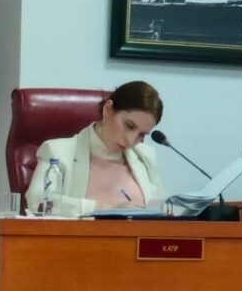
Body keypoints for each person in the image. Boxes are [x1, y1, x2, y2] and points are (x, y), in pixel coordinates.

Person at [25, 81, 164, 217]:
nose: (131, 140)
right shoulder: (57, 151)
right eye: (129, 126)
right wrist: (106, 209)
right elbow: (37, 201)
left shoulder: (145, 156)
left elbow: (162, 211)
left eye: (142, 134)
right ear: (108, 110)